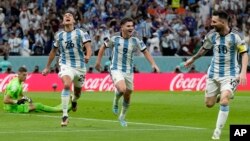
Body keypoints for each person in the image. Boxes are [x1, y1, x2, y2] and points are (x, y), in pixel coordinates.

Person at [184, 10, 248, 140]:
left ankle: (217, 131)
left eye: (214, 21)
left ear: (223, 22)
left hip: (230, 74)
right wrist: (193, 59)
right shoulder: (212, 35)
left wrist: (243, 72)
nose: (211, 24)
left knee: (225, 100)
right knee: (209, 104)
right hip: (213, 73)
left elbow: (244, 53)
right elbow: (204, 49)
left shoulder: (236, 36)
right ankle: (222, 94)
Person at [95, 17, 160, 127]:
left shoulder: (136, 40)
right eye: (128, 26)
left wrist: (153, 64)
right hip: (116, 68)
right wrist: (98, 62)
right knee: (123, 89)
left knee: (128, 93)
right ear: (122, 27)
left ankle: (122, 117)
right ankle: (116, 100)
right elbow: (103, 47)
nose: (131, 28)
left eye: (132, 26)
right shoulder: (114, 38)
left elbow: (146, 52)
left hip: (129, 71)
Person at [42, 10, 92, 127]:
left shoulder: (81, 33)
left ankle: (74, 101)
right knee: (66, 84)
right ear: (63, 22)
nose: (67, 16)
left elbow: (88, 47)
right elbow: (53, 52)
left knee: (78, 93)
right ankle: (65, 116)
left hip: (80, 67)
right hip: (65, 64)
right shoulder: (59, 35)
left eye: (70, 15)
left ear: (74, 20)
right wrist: (47, 67)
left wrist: (88, 56)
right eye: (65, 16)